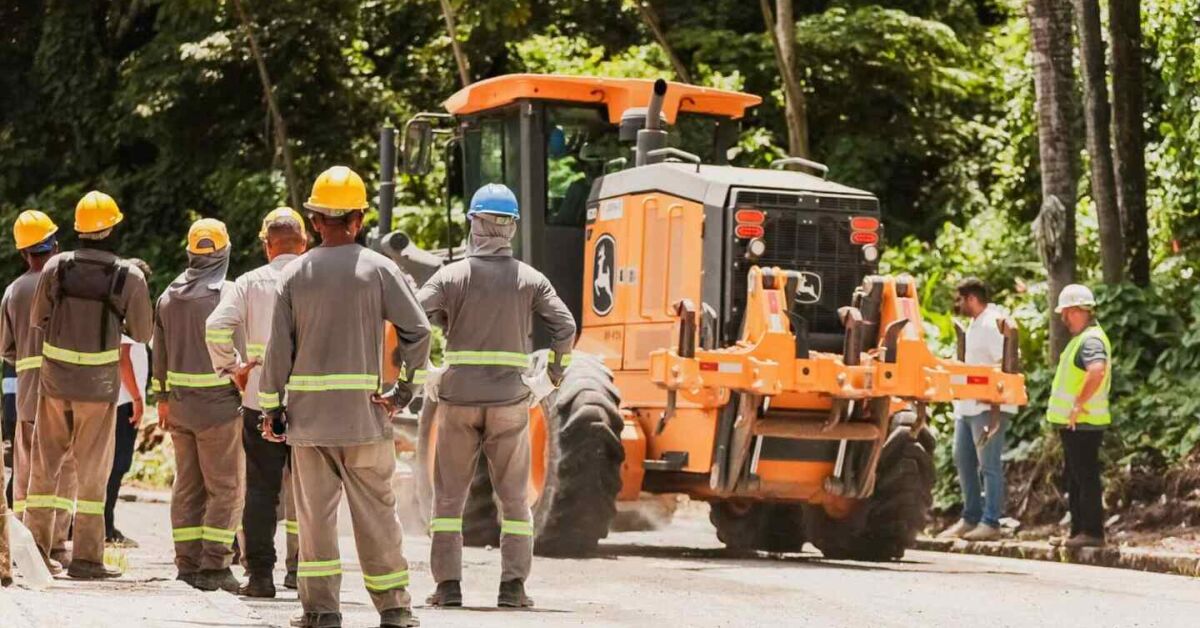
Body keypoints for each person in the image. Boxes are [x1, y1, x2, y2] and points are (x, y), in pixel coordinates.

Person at [259, 166, 430, 628]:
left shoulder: (294, 275)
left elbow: (278, 351)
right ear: (358, 219)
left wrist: (272, 408)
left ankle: (321, 612)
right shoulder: (379, 269)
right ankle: (395, 609)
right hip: (364, 421)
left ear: (316, 221)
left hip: (309, 425)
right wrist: (403, 391)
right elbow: (419, 331)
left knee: (315, 521)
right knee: (378, 518)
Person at [419, 183, 576, 609]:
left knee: (448, 500)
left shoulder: (451, 275)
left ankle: (448, 588)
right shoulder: (530, 279)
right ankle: (513, 589)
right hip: (510, 402)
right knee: (515, 501)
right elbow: (565, 327)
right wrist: (552, 377)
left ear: (474, 222)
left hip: (457, 401)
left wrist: (422, 369)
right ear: (512, 227)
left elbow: (411, 317)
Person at [26, 192, 152, 580]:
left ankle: (34, 554)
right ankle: (86, 559)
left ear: (78, 228)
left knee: (44, 469)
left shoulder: (56, 267)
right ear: (112, 229)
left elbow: (38, 319)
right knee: (93, 474)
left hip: (55, 382)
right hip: (98, 389)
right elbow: (142, 333)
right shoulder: (129, 276)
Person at [205, 207, 308, 598]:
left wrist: (232, 368)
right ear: (304, 243)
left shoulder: (248, 283)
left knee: (262, 491)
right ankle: (302, 570)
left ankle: (261, 576)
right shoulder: (315, 276)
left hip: (258, 402)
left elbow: (216, 326)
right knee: (308, 490)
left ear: (267, 246)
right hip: (310, 401)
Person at [153, 218, 245, 591]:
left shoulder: (168, 296)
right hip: (220, 407)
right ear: (224, 252)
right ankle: (215, 565)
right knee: (225, 487)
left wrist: (161, 398)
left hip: (180, 407)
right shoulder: (229, 294)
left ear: (190, 252)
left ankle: (187, 563)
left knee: (187, 486)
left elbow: (159, 356)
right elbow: (241, 353)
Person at [2, 210, 80, 571]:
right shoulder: (67, 287)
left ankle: (25, 552)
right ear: (56, 247)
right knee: (64, 472)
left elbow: (6, 348)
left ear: (23, 253)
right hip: (65, 390)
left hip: (29, 395)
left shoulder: (13, 291)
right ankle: (57, 547)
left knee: (26, 473)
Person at [938, 278, 1017, 542]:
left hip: (987, 406)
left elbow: (1006, 362)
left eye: (960, 299)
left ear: (971, 298)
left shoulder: (992, 323)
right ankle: (970, 516)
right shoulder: (974, 323)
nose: (957, 304)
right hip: (967, 405)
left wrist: (994, 403)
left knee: (989, 465)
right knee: (963, 459)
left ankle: (991, 521)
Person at [1047, 284, 1111, 548]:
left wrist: (1077, 405)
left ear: (1081, 310)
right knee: (1076, 478)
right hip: (1077, 424)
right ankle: (1078, 532)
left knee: (1085, 477)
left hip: (1084, 422)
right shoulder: (1083, 339)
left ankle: (1092, 532)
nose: (1064, 319)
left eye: (1068, 313)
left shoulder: (1091, 340)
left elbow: (1096, 370)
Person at [106, 258, 152, 547]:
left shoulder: (118, 308)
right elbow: (123, 360)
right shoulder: (124, 312)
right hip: (123, 400)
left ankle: (102, 523)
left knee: (113, 465)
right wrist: (137, 397)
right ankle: (105, 526)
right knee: (116, 464)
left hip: (118, 399)